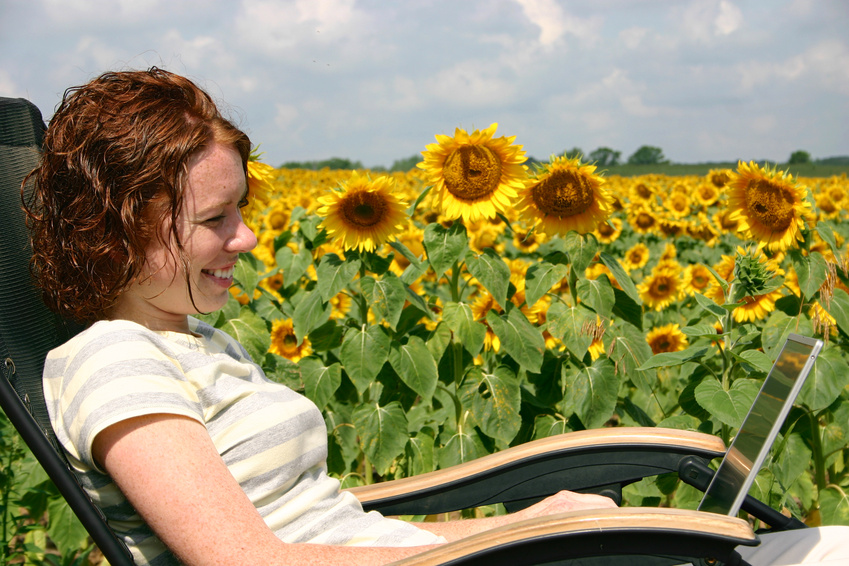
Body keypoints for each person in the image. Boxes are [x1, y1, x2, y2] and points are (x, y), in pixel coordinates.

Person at [24, 68, 849, 566]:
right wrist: (508, 545)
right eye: (213, 221)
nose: (245, 238)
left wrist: (525, 518)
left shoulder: (191, 341)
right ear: (119, 223)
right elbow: (242, 560)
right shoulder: (115, 362)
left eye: (241, 209)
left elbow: (326, 519)